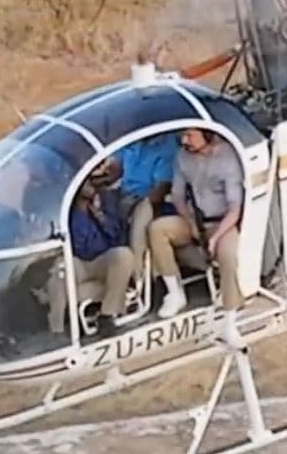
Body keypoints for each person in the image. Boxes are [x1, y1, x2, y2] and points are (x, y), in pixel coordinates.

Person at [147, 128, 244, 343]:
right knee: (157, 229)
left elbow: (235, 207)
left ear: (207, 135)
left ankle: (230, 320)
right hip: (195, 219)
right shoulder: (182, 157)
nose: (184, 140)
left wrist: (216, 237)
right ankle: (175, 293)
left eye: (190, 135)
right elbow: (178, 196)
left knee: (228, 255)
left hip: (222, 223)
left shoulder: (228, 158)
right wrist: (190, 222)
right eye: (182, 135)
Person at [98, 133, 179, 279]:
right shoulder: (133, 136)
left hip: (147, 199)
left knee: (141, 212)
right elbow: (116, 169)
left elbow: (161, 189)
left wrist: (131, 205)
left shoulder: (167, 145)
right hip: (122, 194)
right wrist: (98, 179)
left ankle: (138, 276)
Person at [67, 178, 136, 337]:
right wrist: (82, 212)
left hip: (104, 261)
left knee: (123, 255)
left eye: (91, 181)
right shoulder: (69, 214)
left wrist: (99, 216)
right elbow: (79, 248)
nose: (91, 186)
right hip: (80, 264)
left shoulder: (106, 200)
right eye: (85, 183)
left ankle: (107, 315)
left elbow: (118, 237)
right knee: (61, 272)